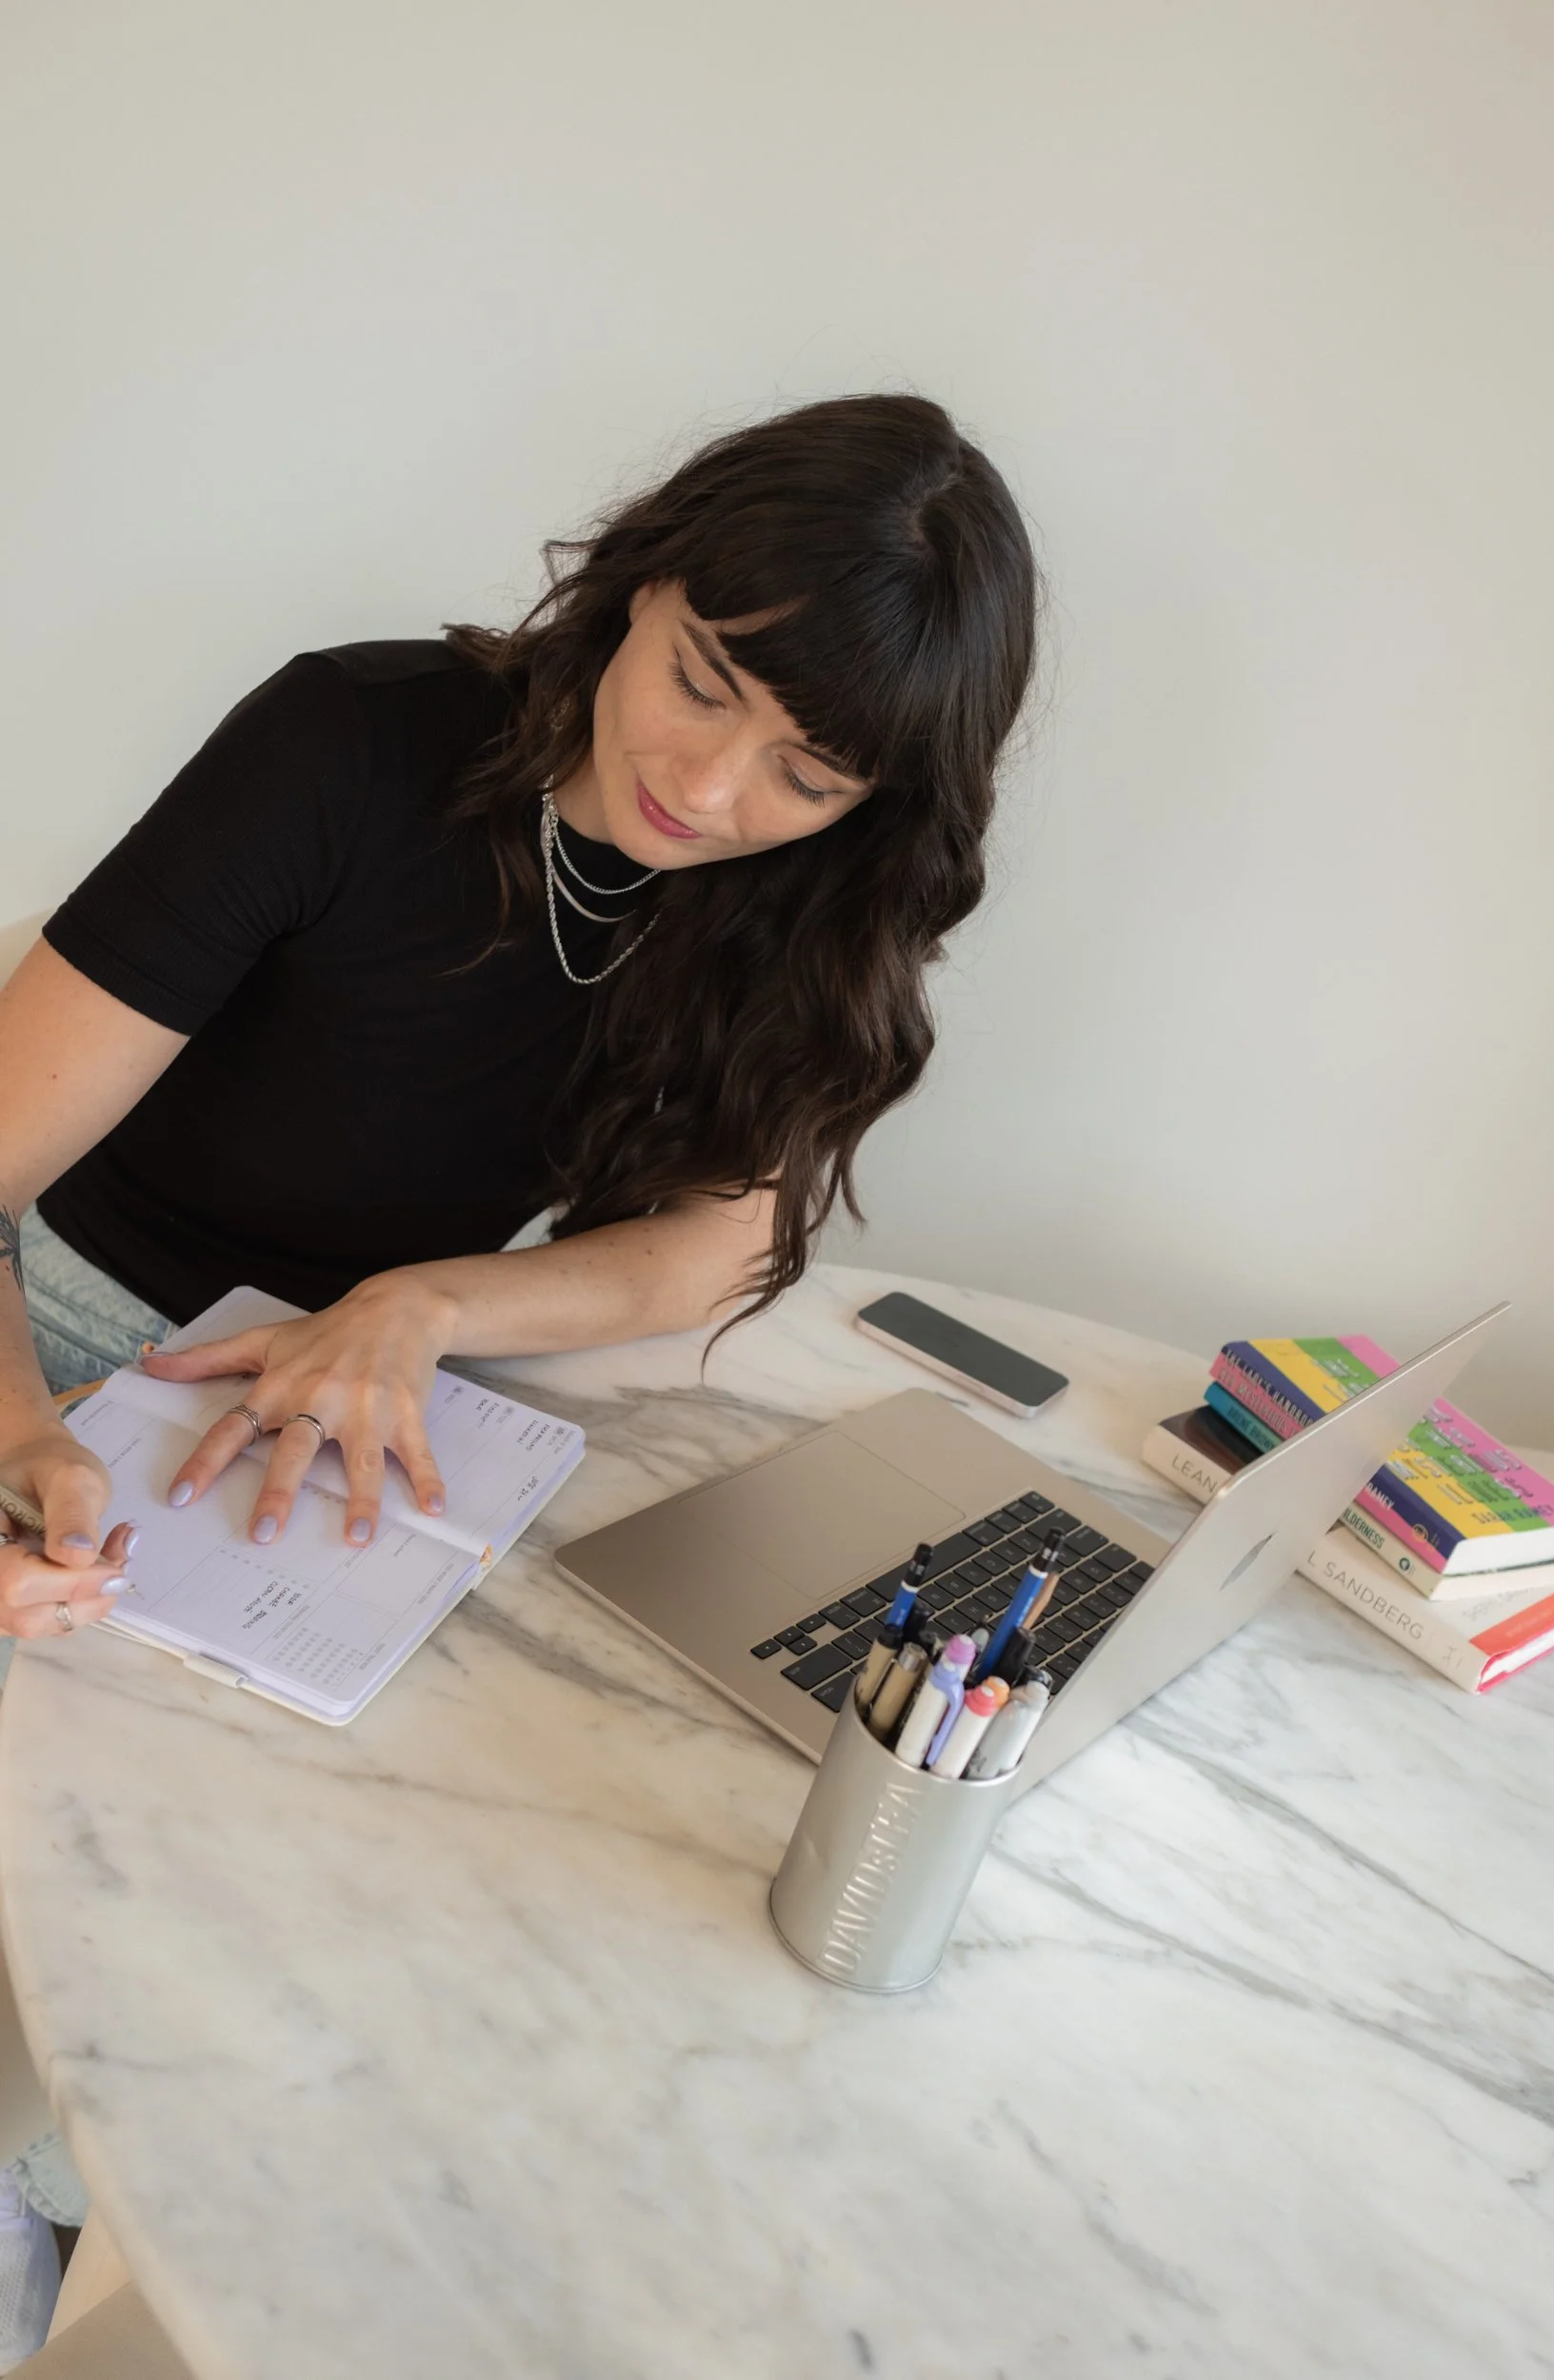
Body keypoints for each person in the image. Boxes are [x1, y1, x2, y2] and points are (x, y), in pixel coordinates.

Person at [0, 391, 1036, 2346]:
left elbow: (721, 1237)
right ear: (643, 580)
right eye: (703, 680)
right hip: (54, 1342)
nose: (710, 785)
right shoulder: (349, 740)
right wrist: (22, 1428)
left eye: (805, 771)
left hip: (352, 1404)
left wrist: (431, 1301)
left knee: (490, 1907)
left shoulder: (784, 905)